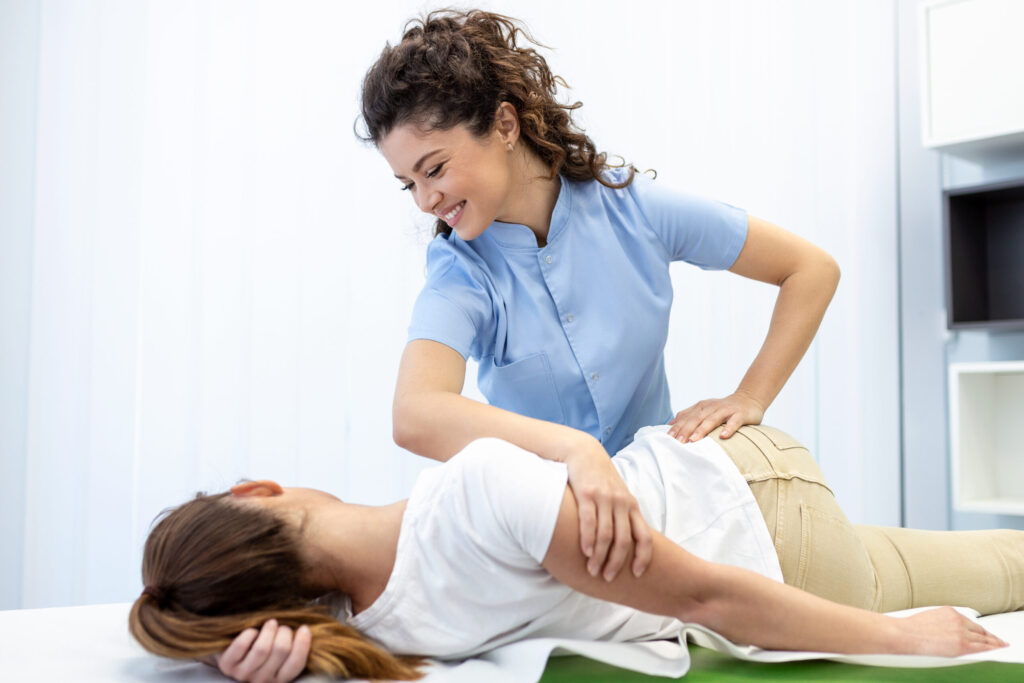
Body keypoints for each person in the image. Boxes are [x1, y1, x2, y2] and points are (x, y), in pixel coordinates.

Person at [362, 9, 842, 582]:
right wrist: (574, 451)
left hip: (681, 514)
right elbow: (415, 413)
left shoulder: (633, 210)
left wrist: (749, 396)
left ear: (505, 125)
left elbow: (810, 269)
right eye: (408, 184)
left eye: (433, 169)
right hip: (558, 544)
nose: (423, 201)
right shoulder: (460, 272)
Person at [129, 425, 1022, 682]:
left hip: (757, 517)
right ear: (252, 492)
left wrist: (276, 662)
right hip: (758, 512)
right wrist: (901, 638)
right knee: (997, 569)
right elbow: (705, 597)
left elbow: (312, 636)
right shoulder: (477, 488)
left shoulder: (371, 634)